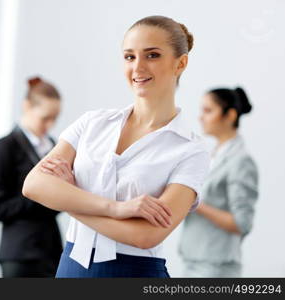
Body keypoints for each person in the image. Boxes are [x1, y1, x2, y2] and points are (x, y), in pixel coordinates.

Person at [22, 15, 210, 278]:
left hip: (136, 273)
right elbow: (34, 185)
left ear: (181, 63)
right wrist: (117, 208)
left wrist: (69, 195)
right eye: (130, 57)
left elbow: (147, 235)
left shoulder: (191, 150)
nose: (138, 67)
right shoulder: (92, 123)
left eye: (152, 55)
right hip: (70, 269)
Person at [0, 76, 63, 277]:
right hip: (20, 255)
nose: (50, 125)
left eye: (55, 118)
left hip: (52, 252)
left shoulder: (54, 145)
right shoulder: (5, 146)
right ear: (27, 106)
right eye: (45, 118)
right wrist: (43, 196)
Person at [179, 87, 259, 277]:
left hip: (216, 268)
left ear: (230, 115)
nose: (200, 117)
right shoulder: (212, 154)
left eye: (208, 111)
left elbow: (242, 223)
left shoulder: (241, 161)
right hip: (193, 261)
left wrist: (196, 203)